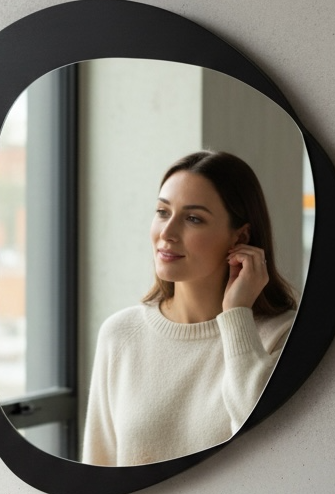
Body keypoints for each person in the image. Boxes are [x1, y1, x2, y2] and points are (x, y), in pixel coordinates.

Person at [82, 150, 297, 467]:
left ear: (240, 236)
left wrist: (237, 315)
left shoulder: (282, 335)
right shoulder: (120, 335)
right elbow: (98, 470)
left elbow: (269, 453)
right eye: (162, 212)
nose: (167, 233)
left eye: (193, 218)